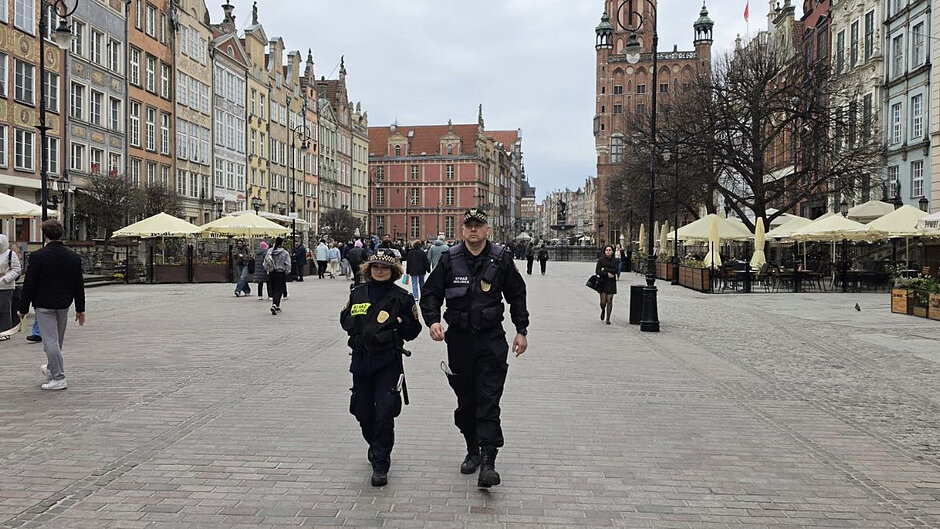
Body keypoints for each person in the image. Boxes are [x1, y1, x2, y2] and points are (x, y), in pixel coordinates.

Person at [420, 208, 529, 488]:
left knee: (488, 399)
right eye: (468, 225)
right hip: (459, 340)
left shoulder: (501, 258)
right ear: (462, 229)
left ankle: (489, 461)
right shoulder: (449, 259)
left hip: (491, 339)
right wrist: (432, 321)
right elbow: (430, 293)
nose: (473, 230)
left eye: (478, 225)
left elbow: (517, 294)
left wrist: (521, 330)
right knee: (466, 401)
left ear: (487, 229)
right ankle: (472, 449)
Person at [340, 248, 422, 487]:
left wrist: (400, 322)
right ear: (369, 269)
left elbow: (414, 329)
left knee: (385, 411)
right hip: (362, 359)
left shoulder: (402, 297)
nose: (379, 271)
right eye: (375, 267)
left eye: (384, 268)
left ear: (393, 271)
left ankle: (380, 462)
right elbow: (344, 318)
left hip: (388, 361)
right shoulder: (358, 292)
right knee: (362, 410)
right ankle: (374, 444)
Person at [17, 219, 86, 390]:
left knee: (50, 342)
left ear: (45, 235)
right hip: (64, 303)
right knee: (56, 341)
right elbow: (79, 284)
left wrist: (23, 308)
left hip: (44, 303)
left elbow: (29, 284)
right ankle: (51, 369)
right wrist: (80, 308)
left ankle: (58, 377)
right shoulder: (73, 256)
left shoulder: (38, 257)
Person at [0, 234, 23, 337]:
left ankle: (5, 332)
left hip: (6, 287)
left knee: (5, 310)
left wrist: (5, 278)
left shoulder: (10, 254)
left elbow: (17, 269)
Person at [264, 237, 291, 315]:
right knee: (279, 290)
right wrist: (287, 271)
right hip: (280, 273)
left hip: (272, 272)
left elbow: (265, 261)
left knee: (273, 289)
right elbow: (288, 264)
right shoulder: (284, 253)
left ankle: (276, 305)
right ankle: (275, 304)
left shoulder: (270, 251)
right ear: (282, 243)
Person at [595, 245, 619, 325]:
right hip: (603, 282)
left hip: (611, 282)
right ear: (604, 251)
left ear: (612, 251)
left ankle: (608, 318)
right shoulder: (601, 260)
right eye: (606, 250)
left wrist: (605, 269)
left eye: (610, 250)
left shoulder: (615, 260)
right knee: (603, 302)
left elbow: (616, 270)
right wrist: (607, 273)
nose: (608, 252)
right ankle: (603, 310)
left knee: (609, 300)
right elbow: (597, 271)